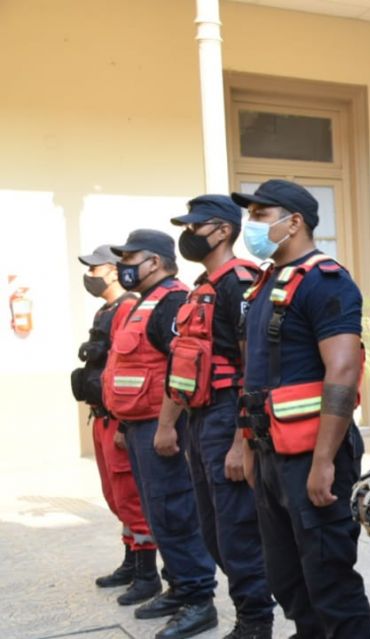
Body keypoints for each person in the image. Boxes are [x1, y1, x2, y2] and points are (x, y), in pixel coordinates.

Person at [233, 179, 370, 638]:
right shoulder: (263, 286)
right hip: (270, 454)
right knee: (287, 578)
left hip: (312, 456)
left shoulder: (325, 281)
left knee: (329, 580)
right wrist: (249, 448)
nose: (251, 224)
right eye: (250, 215)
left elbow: (343, 370)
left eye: (260, 214)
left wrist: (324, 461)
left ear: (294, 222)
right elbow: (253, 378)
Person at [167, 195, 275, 639]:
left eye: (197, 227)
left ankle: (255, 623)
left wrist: (239, 440)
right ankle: (248, 612)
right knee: (212, 530)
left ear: (224, 230)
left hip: (227, 414)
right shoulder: (202, 285)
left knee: (237, 530)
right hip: (199, 417)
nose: (189, 234)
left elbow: (254, 367)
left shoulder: (239, 284)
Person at [102, 230, 219, 639]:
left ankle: (199, 599)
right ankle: (180, 587)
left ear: (154, 261)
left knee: (175, 511)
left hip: (164, 425)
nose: (123, 267)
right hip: (141, 425)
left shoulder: (172, 301)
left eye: (129, 258)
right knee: (158, 513)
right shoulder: (143, 302)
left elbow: (184, 369)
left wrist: (168, 426)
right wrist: (123, 424)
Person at [72, 245, 160, 606]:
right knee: (115, 495)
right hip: (101, 415)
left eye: (95, 269)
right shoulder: (105, 310)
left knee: (130, 495)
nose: (90, 276)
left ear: (112, 270)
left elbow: (128, 367)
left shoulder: (128, 307)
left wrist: (124, 420)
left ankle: (147, 574)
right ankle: (130, 560)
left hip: (119, 419)